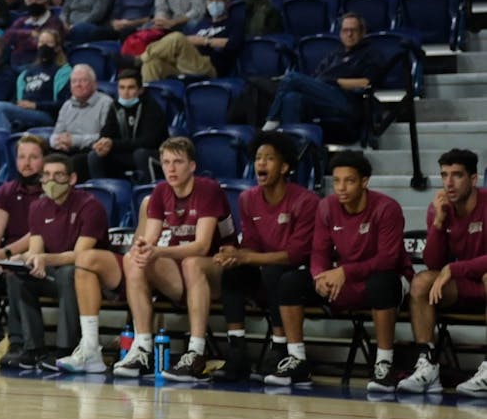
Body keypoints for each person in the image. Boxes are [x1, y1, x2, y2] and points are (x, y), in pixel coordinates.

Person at [275, 151, 409, 392]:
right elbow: (318, 252)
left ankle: (384, 363)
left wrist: (345, 271)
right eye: (336, 181)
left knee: (382, 282)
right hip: (344, 281)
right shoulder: (326, 206)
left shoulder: (387, 208)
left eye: (349, 180)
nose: (341, 187)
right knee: (290, 281)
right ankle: (298, 360)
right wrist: (319, 275)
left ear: (365, 181)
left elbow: (388, 260)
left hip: (388, 280)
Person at [112, 138, 236, 381]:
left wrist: (158, 251)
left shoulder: (208, 189)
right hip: (181, 276)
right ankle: (143, 348)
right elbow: (150, 241)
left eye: (178, 162)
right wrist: (142, 248)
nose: (171, 168)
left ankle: (196, 353)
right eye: (166, 162)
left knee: (192, 263)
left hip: (220, 270)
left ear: (192, 166)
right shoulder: (160, 191)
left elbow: (201, 247)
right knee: (133, 260)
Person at [213, 133, 318, 383]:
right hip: (264, 271)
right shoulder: (247, 199)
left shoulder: (306, 201)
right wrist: (236, 255)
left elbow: (295, 255)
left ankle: (279, 349)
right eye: (259, 158)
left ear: (284, 167)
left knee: (275, 273)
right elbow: (251, 245)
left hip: (301, 276)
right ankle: (237, 351)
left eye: (269, 159)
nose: (261, 163)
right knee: (232, 271)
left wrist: (247, 258)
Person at [9, 153, 110, 370]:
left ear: (72, 179)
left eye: (58, 175)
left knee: (68, 272)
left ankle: (66, 348)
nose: (51, 181)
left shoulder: (91, 206)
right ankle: (33, 348)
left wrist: (43, 258)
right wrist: (22, 259)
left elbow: (81, 255)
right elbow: (36, 249)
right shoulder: (37, 207)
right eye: (46, 175)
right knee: (19, 275)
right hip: (55, 274)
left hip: (91, 280)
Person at [398, 149, 487, 395]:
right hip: (461, 288)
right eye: (444, 175)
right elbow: (433, 262)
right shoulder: (438, 209)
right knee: (421, 281)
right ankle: (427, 365)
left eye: (457, 175)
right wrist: (437, 224)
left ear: (473, 179)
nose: (449, 183)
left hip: (482, 283)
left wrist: (454, 268)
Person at [0, 134, 48, 365]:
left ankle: (18, 342)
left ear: (44, 159)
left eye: (33, 157)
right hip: (8, 256)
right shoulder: (7, 190)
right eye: (22, 157)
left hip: (38, 256)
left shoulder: (50, 190)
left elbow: (38, 231)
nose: (26, 162)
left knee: (16, 271)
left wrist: (5, 254)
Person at [262, 13, 382, 131]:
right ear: (340, 33)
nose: (349, 34)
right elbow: (317, 78)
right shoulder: (334, 55)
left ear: (362, 32)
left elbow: (366, 82)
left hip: (349, 101)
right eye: (345, 30)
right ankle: (294, 143)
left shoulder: (370, 54)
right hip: (324, 99)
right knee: (291, 98)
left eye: (353, 30)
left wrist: (336, 81)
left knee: (292, 77)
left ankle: (272, 120)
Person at [140, 0, 242, 82]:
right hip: (186, 63)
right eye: (210, 0)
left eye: (218, 0)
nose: (213, 3)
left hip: (209, 66)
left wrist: (204, 41)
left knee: (177, 37)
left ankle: (139, 59)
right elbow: (189, 41)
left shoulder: (234, 23)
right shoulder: (203, 23)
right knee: (151, 64)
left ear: (228, 3)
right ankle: (148, 97)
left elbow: (233, 44)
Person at [0, 29, 70, 133]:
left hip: (45, 114)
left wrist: (35, 105)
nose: (43, 46)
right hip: (24, 111)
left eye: (48, 43)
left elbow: (63, 103)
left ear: (57, 47)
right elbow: (19, 98)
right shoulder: (27, 72)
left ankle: (4, 145)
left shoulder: (63, 71)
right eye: (41, 43)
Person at [87, 70, 167, 184]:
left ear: (140, 90)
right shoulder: (115, 106)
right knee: (95, 156)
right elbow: (107, 132)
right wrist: (102, 143)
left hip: (153, 154)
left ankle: (147, 194)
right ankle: (102, 193)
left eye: (131, 88)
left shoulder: (152, 108)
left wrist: (113, 144)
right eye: (122, 87)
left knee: (140, 154)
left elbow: (148, 142)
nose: (125, 92)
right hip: (126, 153)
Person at [50, 65, 114, 182]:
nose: (77, 85)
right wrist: (58, 142)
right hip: (66, 149)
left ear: (94, 84)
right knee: (46, 158)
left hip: (91, 152)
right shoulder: (67, 105)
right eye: (74, 81)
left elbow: (104, 138)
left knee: (73, 162)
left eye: (83, 80)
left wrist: (74, 140)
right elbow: (55, 134)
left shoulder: (106, 103)